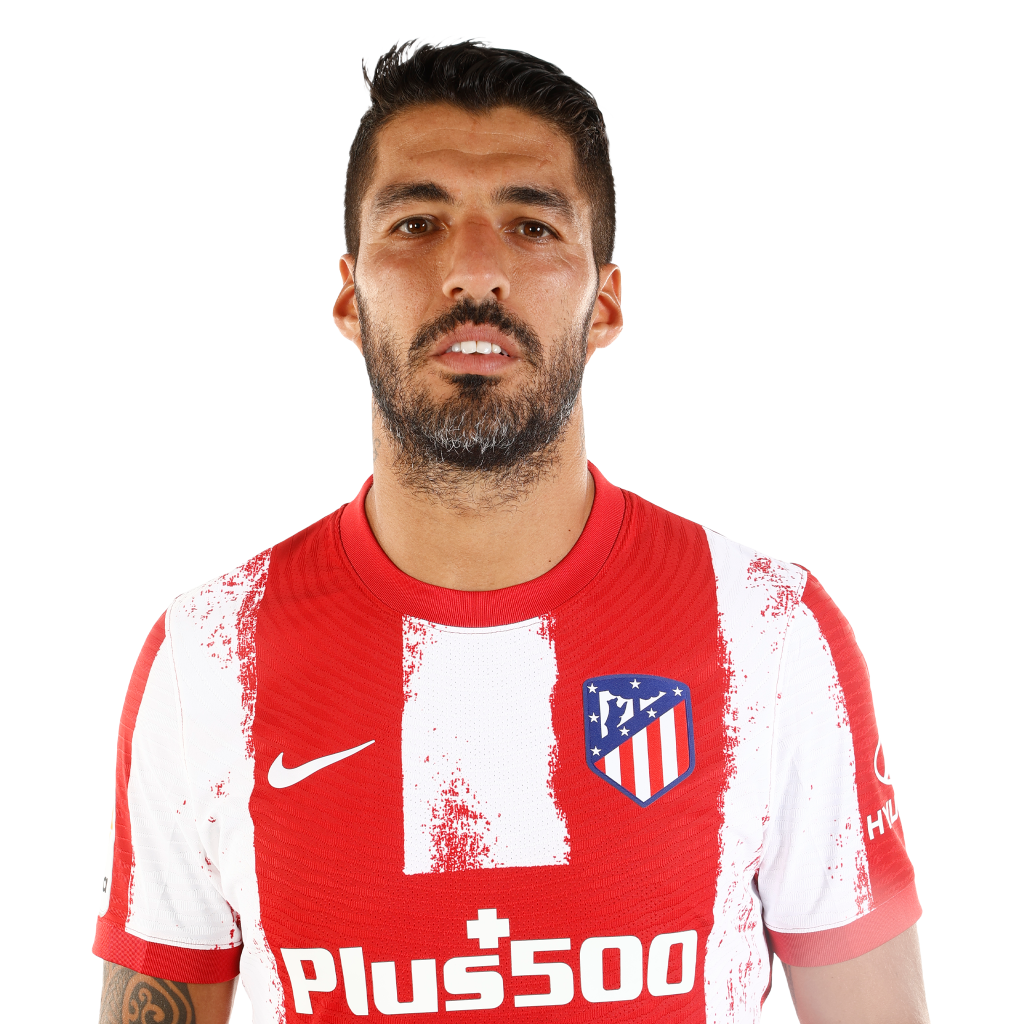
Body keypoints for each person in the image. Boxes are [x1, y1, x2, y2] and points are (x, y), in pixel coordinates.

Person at [94, 37, 929, 1023]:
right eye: (417, 223)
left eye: (531, 227)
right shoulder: (208, 652)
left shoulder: (769, 628)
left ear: (604, 303)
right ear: (351, 296)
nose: (473, 271)